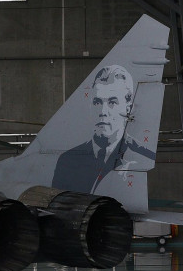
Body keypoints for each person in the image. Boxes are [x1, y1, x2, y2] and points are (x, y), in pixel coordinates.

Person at [52, 65, 156, 193]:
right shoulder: (67, 160)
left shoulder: (143, 158)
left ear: (128, 108)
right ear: (91, 106)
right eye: (97, 102)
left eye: (112, 102)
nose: (103, 111)